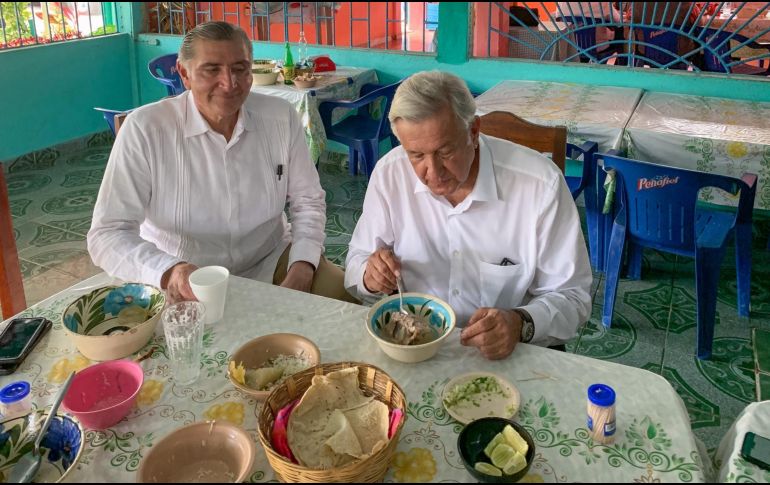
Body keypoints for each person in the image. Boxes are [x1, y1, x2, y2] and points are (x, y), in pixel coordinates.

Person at [88, 21, 355, 304]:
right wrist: (168, 271)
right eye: (211, 69)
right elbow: (107, 234)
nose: (229, 83)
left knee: (344, 304)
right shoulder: (146, 129)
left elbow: (308, 200)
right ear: (184, 73)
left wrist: (303, 264)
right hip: (182, 274)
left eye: (240, 68)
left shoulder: (281, 117)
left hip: (270, 258)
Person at [344, 71, 593, 360]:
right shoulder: (390, 175)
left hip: (511, 353)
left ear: (473, 131)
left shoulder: (540, 185)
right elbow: (355, 264)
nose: (433, 173)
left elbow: (573, 297)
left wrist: (520, 323)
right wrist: (370, 276)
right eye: (416, 155)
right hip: (417, 348)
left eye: (445, 151)